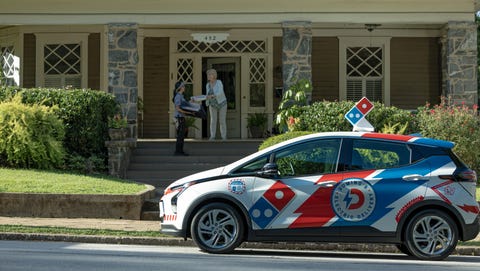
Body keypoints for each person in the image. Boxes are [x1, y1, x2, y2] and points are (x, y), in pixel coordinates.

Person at [172, 81, 194, 156]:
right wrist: (187, 112)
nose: (184, 87)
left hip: (182, 117)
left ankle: (180, 151)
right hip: (179, 118)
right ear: (180, 88)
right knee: (180, 136)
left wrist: (190, 102)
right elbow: (178, 108)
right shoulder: (178, 96)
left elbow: (184, 105)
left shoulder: (181, 96)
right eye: (183, 86)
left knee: (181, 136)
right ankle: (178, 152)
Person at [205, 68, 227, 140]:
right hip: (212, 104)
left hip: (222, 103)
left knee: (222, 120)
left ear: (213, 75)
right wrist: (205, 98)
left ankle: (223, 137)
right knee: (213, 120)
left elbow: (220, 92)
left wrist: (213, 96)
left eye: (209, 74)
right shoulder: (207, 85)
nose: (208, 76)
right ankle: (212, 136)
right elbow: (207, 94)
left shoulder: (219, 82)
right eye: (207, 75)